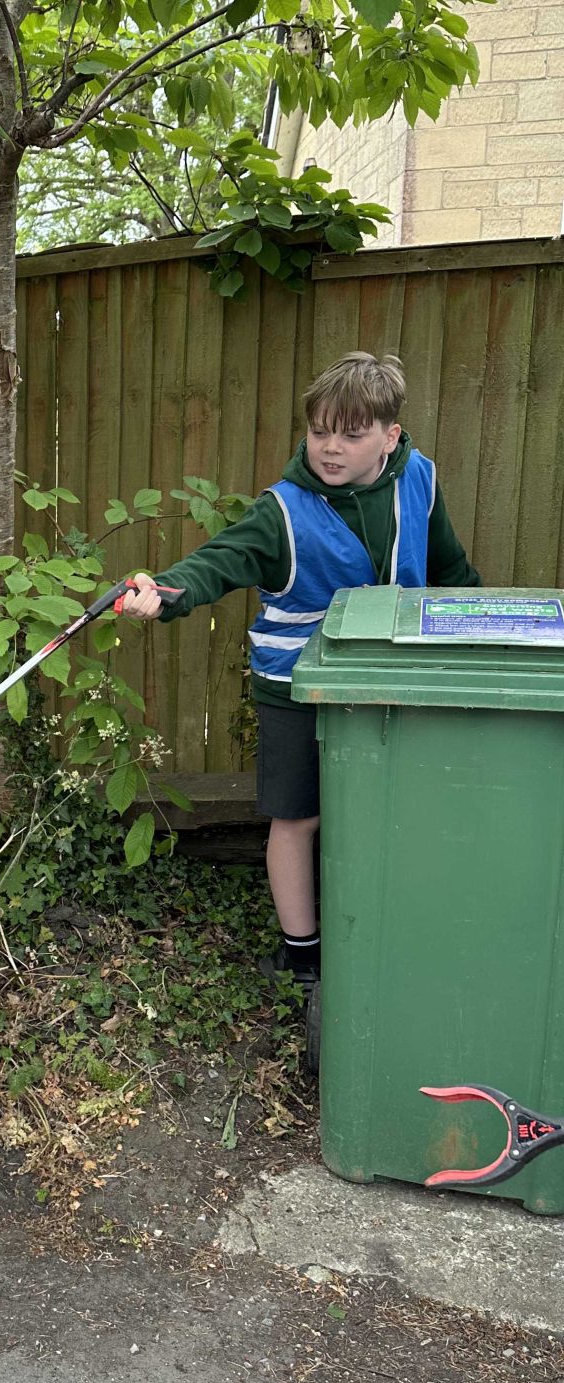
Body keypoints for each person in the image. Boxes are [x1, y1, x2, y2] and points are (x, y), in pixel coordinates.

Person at [118, 352, 479, 988]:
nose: (330, 448)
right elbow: (216, 562)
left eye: (351, 434)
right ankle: (301, 952)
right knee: (297, 817)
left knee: (390, 806)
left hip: (390, 680)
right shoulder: (281, 511)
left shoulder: (419, 479)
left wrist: (478, 630)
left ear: (390, 436)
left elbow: (449, 569)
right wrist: (164, 591)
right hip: (295, 688)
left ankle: (385, 927)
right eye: (319, 431)